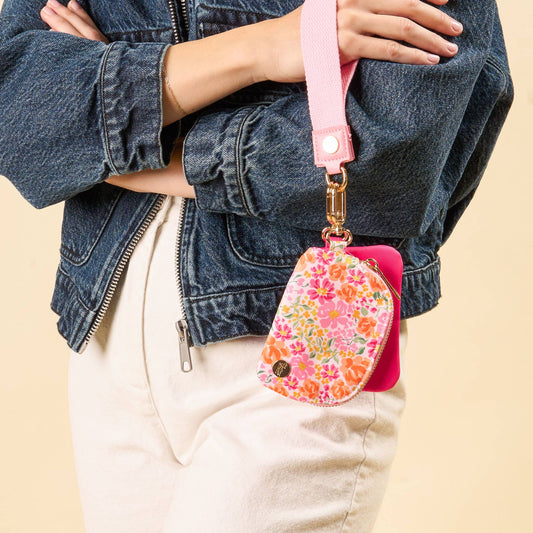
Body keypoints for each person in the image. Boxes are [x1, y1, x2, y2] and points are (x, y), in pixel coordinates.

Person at [0, 0, 513, 532]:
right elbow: (19, 116)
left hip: (303, 343)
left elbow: (390, 160)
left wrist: (115, 125)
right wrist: (261, 48)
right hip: (108, 340)